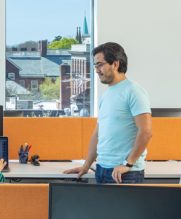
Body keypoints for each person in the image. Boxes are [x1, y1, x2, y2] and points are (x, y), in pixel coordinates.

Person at [65, 42, 152, 184]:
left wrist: (128, 164)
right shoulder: (106, 95)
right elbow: (98, 134)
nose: (97, 70)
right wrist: (86, 165)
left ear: (115, 64)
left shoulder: (134, 91)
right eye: (95, 66)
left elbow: (146, 131)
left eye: (100, 65)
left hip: (124, 173)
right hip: (102, 169)